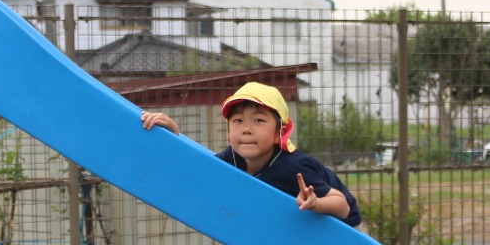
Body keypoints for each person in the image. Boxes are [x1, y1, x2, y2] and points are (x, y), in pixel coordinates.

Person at [141, 81, 361, 227]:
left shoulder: (295, 168)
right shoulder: (233, 158)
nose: (246, 128)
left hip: (349, 230)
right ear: (229, 133)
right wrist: (173, 136)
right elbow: (201, 171)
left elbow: (343, 206)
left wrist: (317, 204)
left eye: (258, 120)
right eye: (238, 121)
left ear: (279, 134)